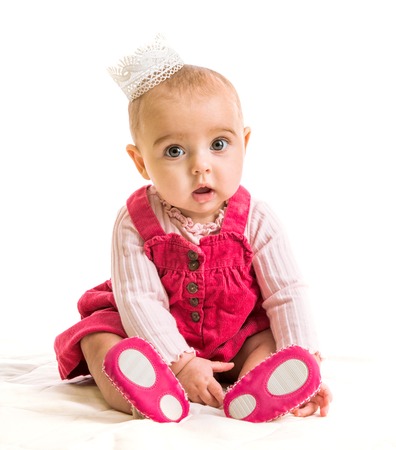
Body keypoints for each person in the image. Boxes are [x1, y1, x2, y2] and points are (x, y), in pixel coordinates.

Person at [54, 34, 332, 423]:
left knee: (267, 339)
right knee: (99, 339)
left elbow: (286, 293)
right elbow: (138, 299)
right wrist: (180, 362)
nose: (200, 166)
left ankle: (266, 385)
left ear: (244, 144)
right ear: (141, 163)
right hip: (149, 333)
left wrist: (304, 355)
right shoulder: (135, 221)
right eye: (174, 151)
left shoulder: (257, 219)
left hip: (233, 337)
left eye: (219, 144)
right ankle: (142, 393)